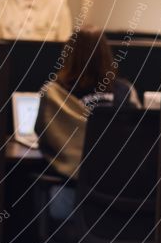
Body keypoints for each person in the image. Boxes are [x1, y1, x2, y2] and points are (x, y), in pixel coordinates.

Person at [34, 26, 140, 218]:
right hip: (121, 204)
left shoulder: (55, 94)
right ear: (106, 55)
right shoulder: (126, 93)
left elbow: (42, 135)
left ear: (69, 55)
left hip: (70, 199)